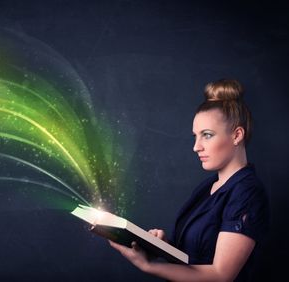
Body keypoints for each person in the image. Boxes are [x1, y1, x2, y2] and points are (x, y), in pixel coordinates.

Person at [109, 79, 270, 281]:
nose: (196, 147)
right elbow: (192, 258)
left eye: (207, 135)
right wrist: (161, 245)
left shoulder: (247, 193)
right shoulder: (207, 188)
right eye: (195, 136)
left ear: (237, 135)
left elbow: (221, 276)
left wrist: (147, 265)